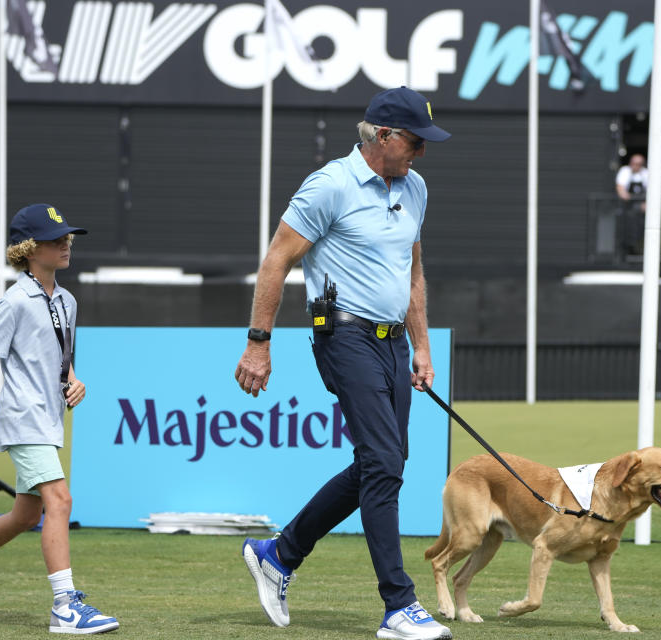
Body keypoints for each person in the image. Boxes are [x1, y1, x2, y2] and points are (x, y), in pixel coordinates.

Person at [235, 86, 453, 640]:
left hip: (394, 342)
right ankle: (399, 606)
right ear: (382, 136)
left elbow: (413, 271)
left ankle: (279, 554)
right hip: (344, 337)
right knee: (383, 463)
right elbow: (275, 261)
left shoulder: (416, 187)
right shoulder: (330, 185)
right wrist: (258, 342)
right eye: (414, 142)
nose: (421, 154)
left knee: (383, 462)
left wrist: (421, 344)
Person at [0, 204, 119, 635]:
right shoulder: (12, 302)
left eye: (67, 236)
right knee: (60, 501)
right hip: (23, 419)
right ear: (30, 250)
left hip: (49, 421)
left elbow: (61, 359)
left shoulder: (67, 301)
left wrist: (74, 381)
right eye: (55, 239)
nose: (66, 244)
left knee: (26, 515)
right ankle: (65, 606)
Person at [615, 153, 648, 256]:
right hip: (627, 207)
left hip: (641, 209)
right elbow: (620, 187)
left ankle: (639, 251)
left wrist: (646, 204)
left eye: (638, 164)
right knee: (626, 231)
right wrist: (626, 196)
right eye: (634, 163)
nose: (636, 166)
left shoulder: (645, 173)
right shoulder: (625, 171)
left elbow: (650, 190)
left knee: (641, 231)